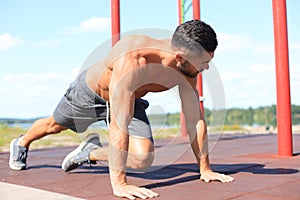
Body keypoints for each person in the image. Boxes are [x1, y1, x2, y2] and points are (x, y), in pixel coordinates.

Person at [9, 20, 234, 199]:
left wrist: (205, 169)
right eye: (203, 62)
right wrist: (120, 184)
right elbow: (119, 123)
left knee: (143, 158)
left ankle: (90, 152)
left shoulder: (188, 71)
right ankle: (21, 142)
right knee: (54, 125)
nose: (206, 67)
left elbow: (195, 118)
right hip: (91, 93)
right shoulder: (134, 58)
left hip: (132, 98)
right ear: (180, 57)